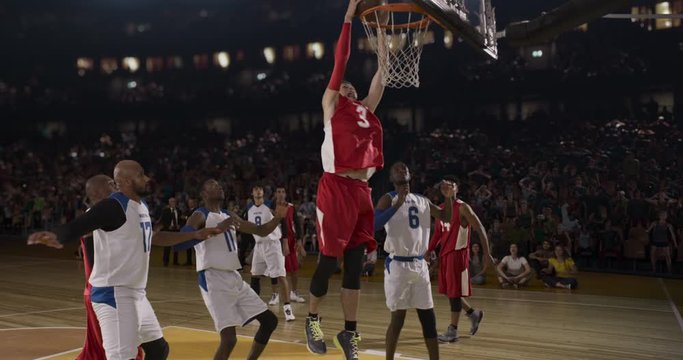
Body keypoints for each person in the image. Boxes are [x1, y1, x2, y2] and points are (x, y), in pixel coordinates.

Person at [27, 160, 222, 360]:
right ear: (127, 182)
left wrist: (195, 235)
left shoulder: (140, 206)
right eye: (141, 175)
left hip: (136, 293)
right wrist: (57, 235)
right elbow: (80, 224)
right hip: (114, 293)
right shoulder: (113, 206)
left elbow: (153, 237)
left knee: (158, 349)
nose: (147, 179)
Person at [305, 0, 386, 358]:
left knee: (355, 267)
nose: (350, 90)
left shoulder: (365, 111)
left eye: (354, 89)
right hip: (335, 187)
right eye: (346, 88)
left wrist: (383, 31)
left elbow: (384, 72)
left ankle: (349, 333)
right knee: (328, 261)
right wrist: (349, 17)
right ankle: (311, 318)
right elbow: (341, 62)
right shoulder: (332, 104)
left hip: (361, 191)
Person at [172, 179, 285, 360]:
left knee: (269, 321)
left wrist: (278, 217)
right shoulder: (200, 215)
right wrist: (215, 229)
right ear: (204, 194)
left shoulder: (229, 215)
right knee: (229, 339)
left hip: (234, 277)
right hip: (212, 278)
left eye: (220, 185)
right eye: (213, 185)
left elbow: (261, 230)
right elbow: (182, 240)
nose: (220, 187)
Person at [374, 162, 454, 360]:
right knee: (398, 319)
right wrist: (397, 206)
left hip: (419, 265)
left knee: (429, 318)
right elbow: (374, 225)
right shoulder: (387, 199)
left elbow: (446, 216)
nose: (402, 169)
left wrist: (448, 197)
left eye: (405, 168)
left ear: (410, 174)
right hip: (398, 266)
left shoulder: (422, 200)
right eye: (397, 168)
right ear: (391, 178)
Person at [76, 174, 143, 360]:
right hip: (103, 291)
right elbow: (95, 259)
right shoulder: (96, 216)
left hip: (106, 290)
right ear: (98, 191)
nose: (116, 185)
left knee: (100, 352)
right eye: (111, 183)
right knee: (117, 351)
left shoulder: (109, 213)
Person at [427, 178, 494, 343]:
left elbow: (480, 228)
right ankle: (473, 314)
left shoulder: (463, 207)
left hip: (458, 254)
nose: (445, 187)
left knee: (454, 292)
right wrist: (428, 251)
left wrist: (487, 253)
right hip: (445, 255)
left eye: (450, 184)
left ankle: (452, 331)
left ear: (456, 188)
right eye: (442, 185)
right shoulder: (440, 209)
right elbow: (437, 234)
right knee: (451, 292)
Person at [247, 184, 295, 321]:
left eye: (259, 189)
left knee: (281, 276)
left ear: (263, 192)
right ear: (252, 193)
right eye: (255, 189)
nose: (257, 190)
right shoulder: (249, 209)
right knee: (255, 275)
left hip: (272, 245)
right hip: (259, 245)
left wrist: (285, 241)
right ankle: (254, 309)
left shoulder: (270, 205)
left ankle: (287, 309)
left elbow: (283, 221)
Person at [269, 185, 306, 304]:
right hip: (276, 240)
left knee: (294, 269)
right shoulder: (270, 207)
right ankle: (275, 295)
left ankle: (294, 293)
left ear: (285, 194)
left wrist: (299, 240)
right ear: (275, 194)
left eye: (283, 192)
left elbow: (297, 223)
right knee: (276, 269)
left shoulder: (290, 207)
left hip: (290, 241)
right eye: (278, 191)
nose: (280, 194)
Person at [161, 197, 193, 266]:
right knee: (167, 246)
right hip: (168, 230)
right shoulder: (165, 210)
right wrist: (168, 226)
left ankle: (175, 261)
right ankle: (165, 261)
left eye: (174, 202)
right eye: (172, 202)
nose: (173, 203)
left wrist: (179, 226)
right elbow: (163, 220)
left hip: (176, 230)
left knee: (176, 245)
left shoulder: (179, 211)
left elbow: (181, 220)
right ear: (169, 203)